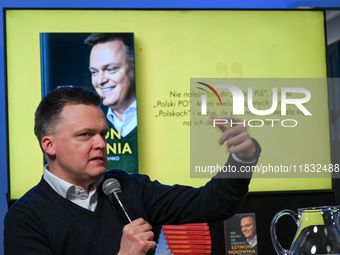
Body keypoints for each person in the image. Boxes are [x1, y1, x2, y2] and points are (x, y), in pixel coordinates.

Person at [4, 86, 261, 255]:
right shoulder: (25, 218)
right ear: (49, 145)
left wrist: (242, 156)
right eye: (85, 135)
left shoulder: (129, 187)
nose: (101, 144)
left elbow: (214, 203)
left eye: (103, 134)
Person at [84, 33, 138, 174]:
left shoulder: (162, 120)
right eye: (94, 72)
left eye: (111, 69)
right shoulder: (86, 128)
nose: (100, 81)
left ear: (134, 68)